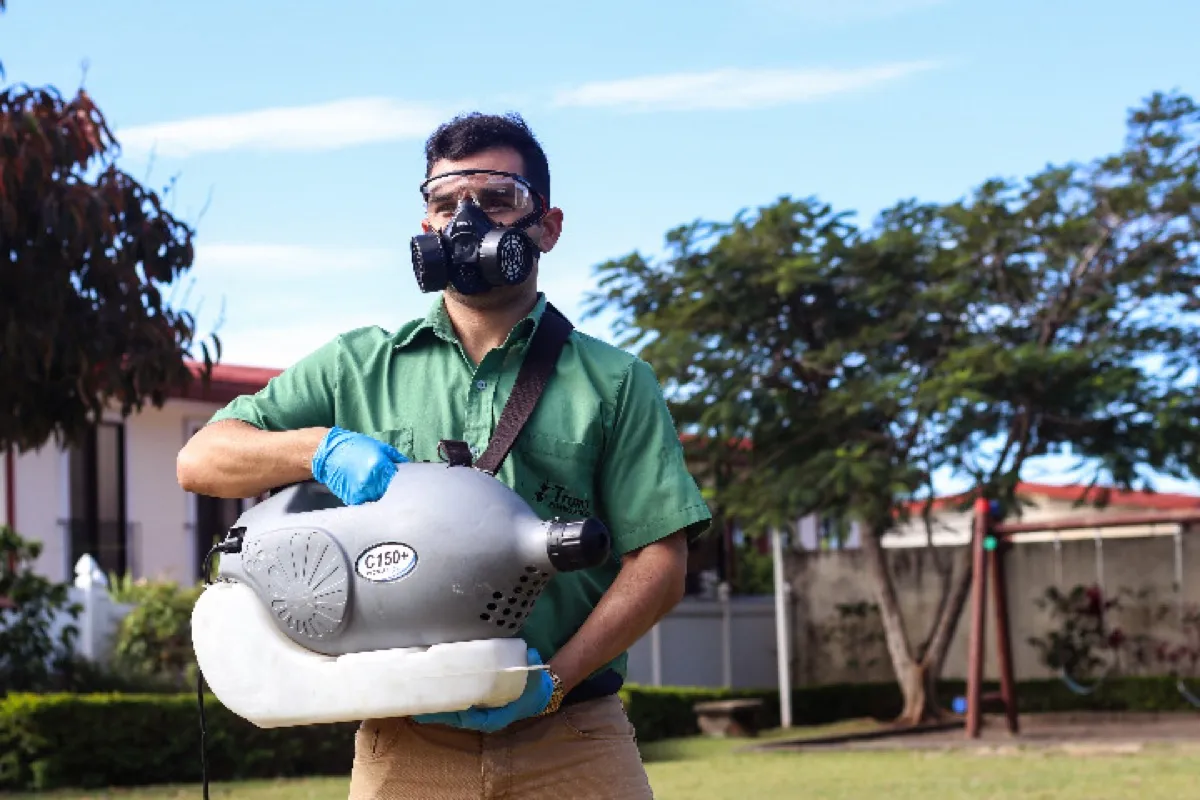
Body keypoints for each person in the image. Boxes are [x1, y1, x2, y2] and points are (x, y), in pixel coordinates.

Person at [176, 112, 712, 799]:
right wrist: (320, 447)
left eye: (495, 200)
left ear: (546, 226)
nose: (466, 222)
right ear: (425, 224)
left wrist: (551, 683)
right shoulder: (357, 367)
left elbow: (661, 563)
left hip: (574, 739)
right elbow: (202, 460)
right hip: (404, 744)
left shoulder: (613, 382)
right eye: (442, 204)